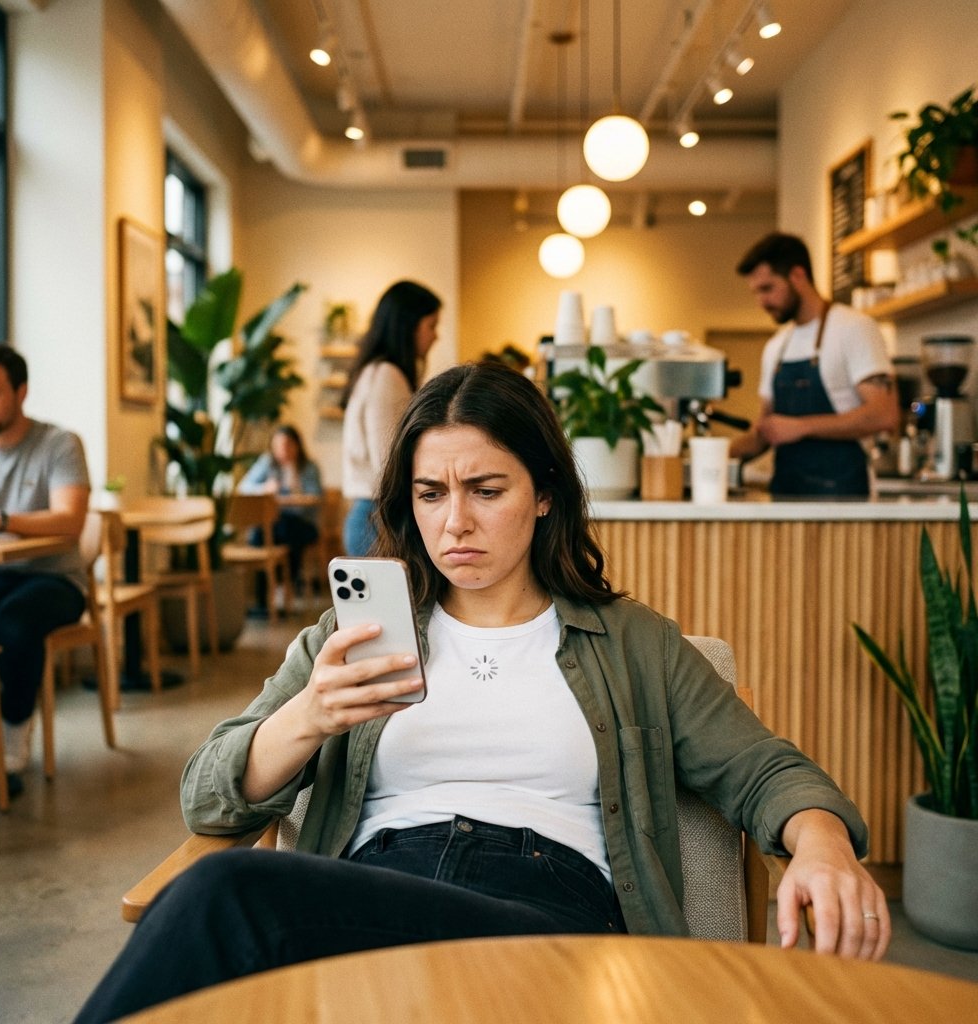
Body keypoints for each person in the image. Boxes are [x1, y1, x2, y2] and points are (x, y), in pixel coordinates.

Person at [75, 360, 889, 1023]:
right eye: (431, 494)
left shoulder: (634, 643)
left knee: (233, 898)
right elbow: (207, 799)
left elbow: (763, 769)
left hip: (548, 929)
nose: (453, 522)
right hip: (368, 906)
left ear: (543, 494)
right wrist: (308, 715)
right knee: (225, 891)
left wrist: (820, 842)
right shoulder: (350, 638)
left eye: (485, 491)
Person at [0, 342, 90, 774]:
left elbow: (70, 521)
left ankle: (15, 724)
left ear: (21, 392)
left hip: (55, 579)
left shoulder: (59, 443)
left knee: (14, 623)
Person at [730, 232, 898, 497]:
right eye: (756, 293)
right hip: (785, 496)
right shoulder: (776, 347)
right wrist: (714, 454)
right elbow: (766, 430)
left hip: (844, 497)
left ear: (797, 275)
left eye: (767, 288)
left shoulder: (854, 328)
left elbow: (883, 415)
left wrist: (801, 427)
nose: (761, 302)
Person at [340, 279, 441, 555]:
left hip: (369, 515)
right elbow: (388, 462)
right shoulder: (387, 376)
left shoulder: (375, 372)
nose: (436, 336)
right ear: (409, 326)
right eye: (431, 325)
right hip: (377, 519)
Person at [238, 424, 323, 599]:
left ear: (297, 445)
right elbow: (243, 487)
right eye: (278, 446)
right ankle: (266, 596)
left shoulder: (308, 467)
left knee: (290, 531)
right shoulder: (267, 463)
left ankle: (282, 587)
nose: (283, 450)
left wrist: (296, 490)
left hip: (303, 522)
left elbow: (315, 497)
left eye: (287, 445)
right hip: (276, 523)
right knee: (260, 534)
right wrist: (264, 488)